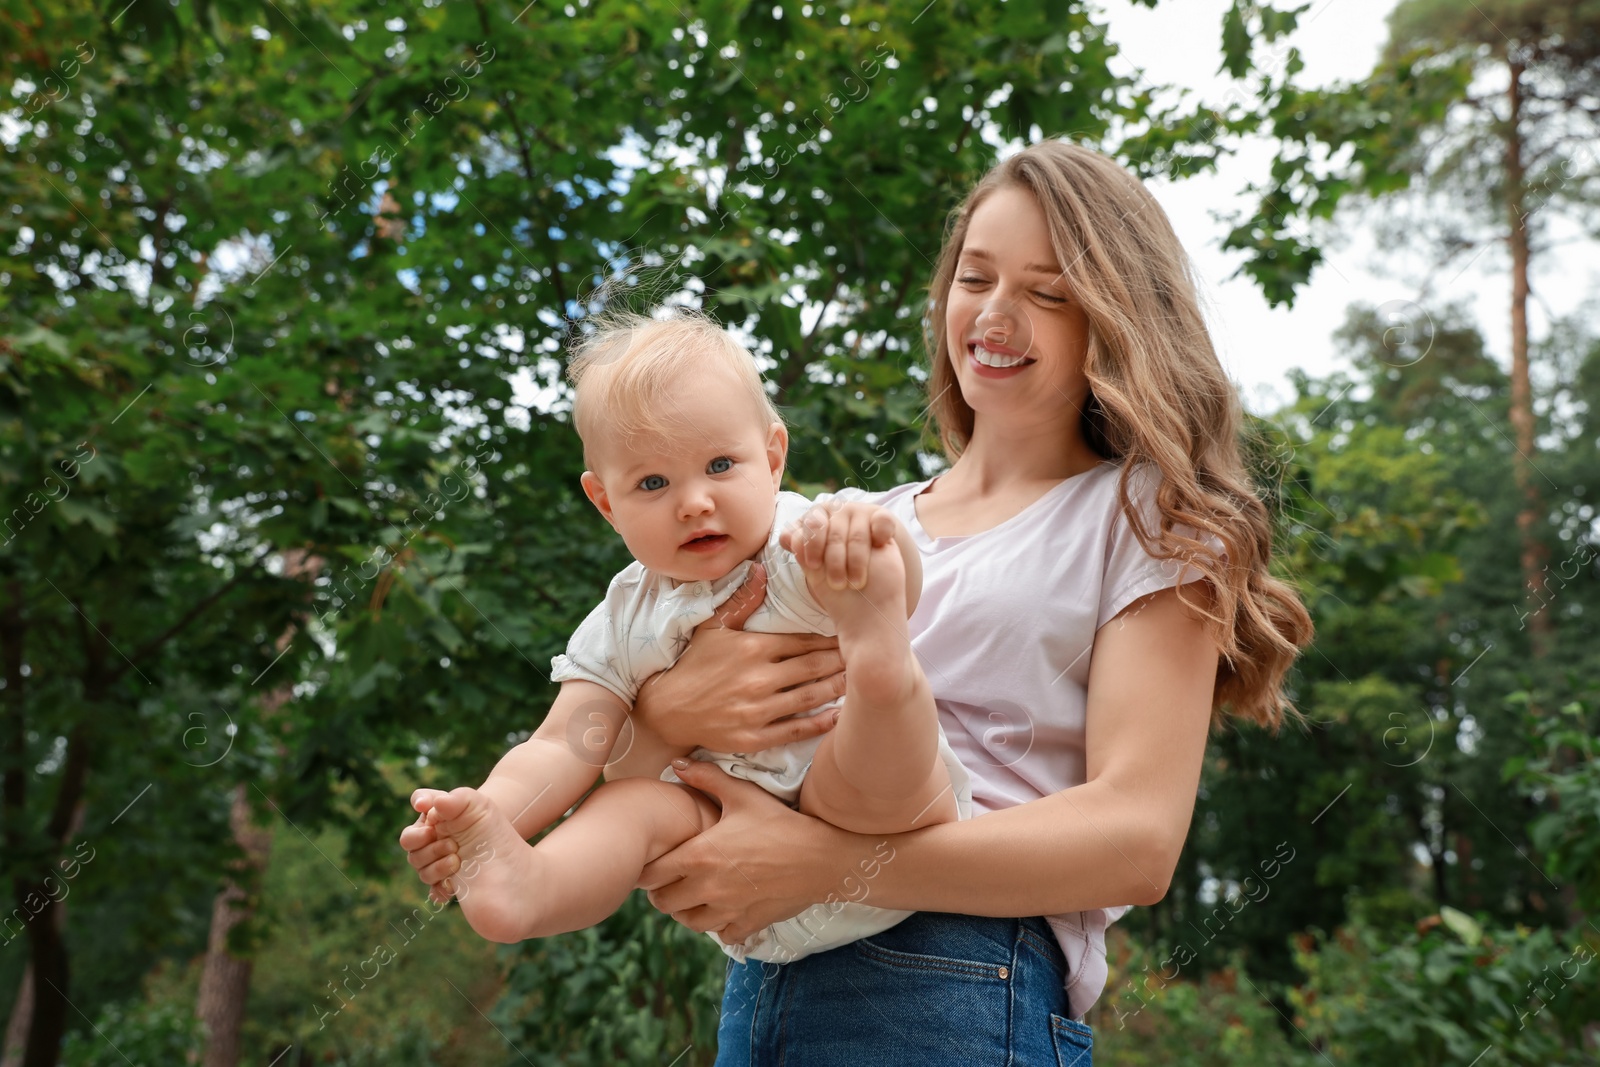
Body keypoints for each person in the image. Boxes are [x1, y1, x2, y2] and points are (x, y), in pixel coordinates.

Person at [405, 140, 1313, 1064]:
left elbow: (1137, 841)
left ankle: (883, 678)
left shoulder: (1144, 513)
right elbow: (620, 755)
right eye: (976, 277)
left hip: (955, 971)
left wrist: (835, 863)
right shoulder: (833, 524)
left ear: (1114, 316)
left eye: (1047, 291)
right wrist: (668, 711)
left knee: (881, 706)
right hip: (769, 976)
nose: (995, 315)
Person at [404, 310, 972, 963]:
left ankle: (881, 668)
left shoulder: (802, 544)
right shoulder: (624, 615)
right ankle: (529, 885)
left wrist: (873, 542)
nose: (693, 501)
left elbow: (899, 576)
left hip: (872, 827)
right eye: (653, 482)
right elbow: (566, 740)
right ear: (605, 502)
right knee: (632, 806)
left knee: (865, 742)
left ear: (773, 456)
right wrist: (486, 812)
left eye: (720, 464)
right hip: (736, 869)